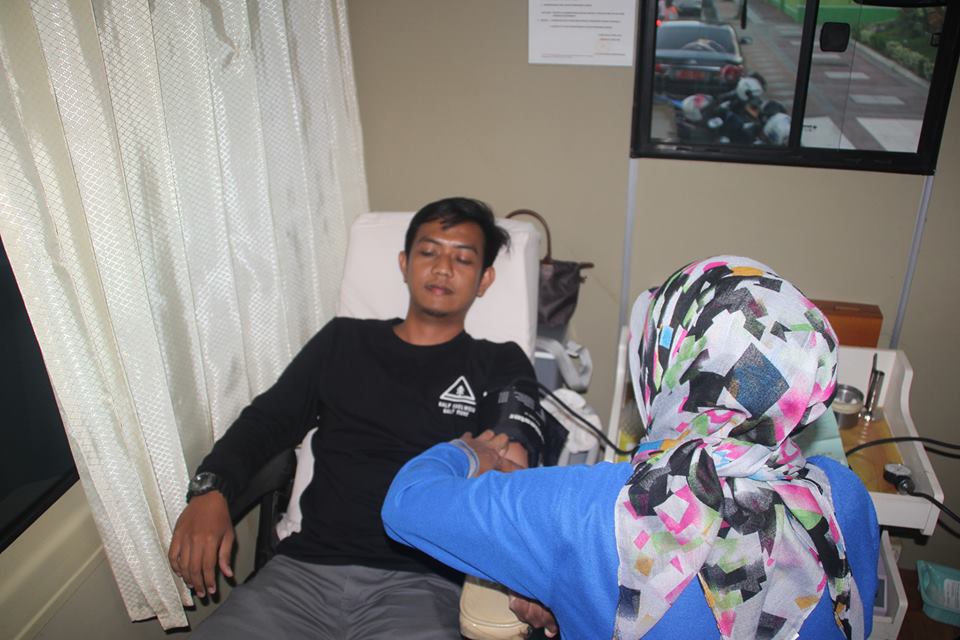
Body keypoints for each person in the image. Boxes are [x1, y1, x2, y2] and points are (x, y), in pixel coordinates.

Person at [382, 255, 880, 640]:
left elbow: (405, 502)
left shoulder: (591, 510)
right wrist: (569, 591)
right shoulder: (843, 496)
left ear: (669, 362)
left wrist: (471, 450)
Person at [168, 196, 540, 639]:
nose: (442, 268)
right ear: (404, 264)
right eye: (428, 252)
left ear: (484, 279)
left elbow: (511, 467)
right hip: (301, 575)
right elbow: (266, 421)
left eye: (462, 259)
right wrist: (211, 489)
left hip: (421, 586)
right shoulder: (343, 341)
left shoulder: (498, 362)